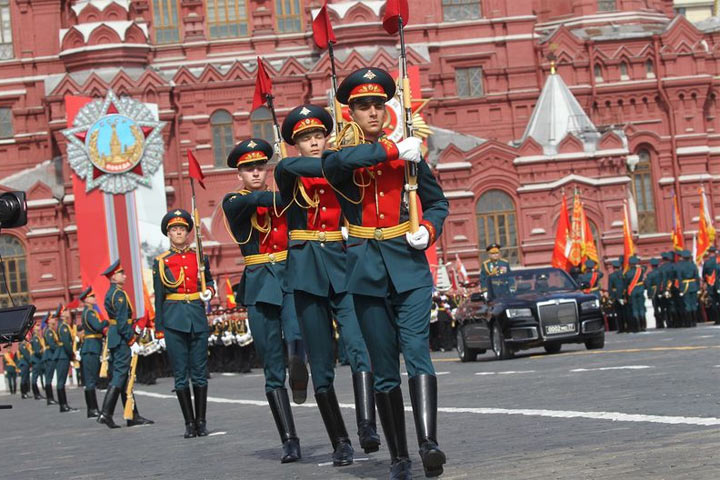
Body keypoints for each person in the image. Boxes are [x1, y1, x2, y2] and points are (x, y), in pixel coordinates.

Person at [323, 67, 449, 479]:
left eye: (379, 104)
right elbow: (344, 161)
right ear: (350, 113)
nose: (373, 111)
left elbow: (437, 204)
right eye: (364, 106)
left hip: (408, 268)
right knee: (383, 366)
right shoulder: (342, 157)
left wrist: (428, 231)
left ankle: (429, 443)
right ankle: (398, 456)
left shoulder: (411, 159)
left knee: (417, 353)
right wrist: (397, 151)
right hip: (365, 271)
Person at [275, 103, 380, 464]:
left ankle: (367, 425)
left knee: (359, 346)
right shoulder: (288, 169)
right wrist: (340, 159)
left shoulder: (339, 168)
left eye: (319, 135)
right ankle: (340, 441)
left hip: (341, 264)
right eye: (306, 138)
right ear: (295, 143)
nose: (315, 143)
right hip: (306, 272)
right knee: (321, 364)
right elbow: (299, 166)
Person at [221, 138, 303, 464]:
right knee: (271, 366)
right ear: (239, 173)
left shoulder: (282, 197)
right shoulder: (233, 201)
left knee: (297, 335)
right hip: (259, 285)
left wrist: (290, 176)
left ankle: (299, 367)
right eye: (248, 168)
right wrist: (286, 185)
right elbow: (256, 201)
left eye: (260, 167)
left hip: (290, 277)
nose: (255, 172)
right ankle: (289, 439)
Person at [153, 208, 216, 438]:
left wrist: (208, 290)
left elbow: (208, 280)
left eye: (182, 229)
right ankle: (189, 423)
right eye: (174, 229)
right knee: (181, 374)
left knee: (200, 372)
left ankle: (201, 421)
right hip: (173, 320)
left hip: (196, 317)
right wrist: (159, 328)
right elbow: (159, 296)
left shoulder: (199, 258)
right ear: (168, 234)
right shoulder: (161, 262)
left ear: (188, 232)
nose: (178, 233)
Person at [97, 260, 154, 428]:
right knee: (121, 375)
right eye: (121, 273)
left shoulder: (113, 293)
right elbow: (122, 322)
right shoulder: (119, 295)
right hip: (122, 338)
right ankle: (106, 413)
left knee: (123, 376)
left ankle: (131, 414)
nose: (125, 275)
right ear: (114, 277)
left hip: (116, 337)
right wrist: (131, 339)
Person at [80, 286, 108, 418]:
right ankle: (92, 409)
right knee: (91, 380)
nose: (94, 298)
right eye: (92, 297)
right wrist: (106, 322)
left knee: (91, 379)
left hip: (91, 347)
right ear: (87, 300)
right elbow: (97, 327)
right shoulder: (90, 313)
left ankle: (92, 409)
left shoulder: (89, 312)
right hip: (91, 348)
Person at [55, 305, 78, 412]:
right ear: (61, 314)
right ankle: (63, 405)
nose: (67, 313)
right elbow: (66, 343)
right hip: (63, 355)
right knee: (61, 381)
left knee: (62, 381)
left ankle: (63, 405)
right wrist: (72, 354)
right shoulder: (63, 327)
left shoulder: (63, 325)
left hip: (62, 355)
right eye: (65, 311)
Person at [677, 249, 700, 327]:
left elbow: (680, 278)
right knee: (694, 304)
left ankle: (689, 322)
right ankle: (694, 321)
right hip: (693, 285)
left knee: (687, 304)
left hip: (685, 286)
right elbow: (697, 277)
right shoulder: (693, 265)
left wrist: (681, 289)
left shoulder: (680, 266)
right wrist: (698, 287)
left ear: (683, 257)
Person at [623, 256, 646, 332]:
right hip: (640, 290)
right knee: (641, 308)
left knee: (635, 309)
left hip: (632, 292)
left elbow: (626, 285)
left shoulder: (627, 273)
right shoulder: (641, 270)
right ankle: (643, 326)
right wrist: (638, 265)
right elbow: (645, 267)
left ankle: (638, 327)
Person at [42, 310, 60, 404]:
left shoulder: (51, 330)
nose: (54, 320)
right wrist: (60, 349)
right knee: (49, 378)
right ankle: (50, 399)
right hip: (49, 356)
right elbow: (52, 344)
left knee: (50, 377)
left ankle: (50, 398)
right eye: (52, 318)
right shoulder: (49, 331)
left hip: (50, 355)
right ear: (48, 321)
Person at [644, 258, 664, 329]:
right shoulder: (662, 272)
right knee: (663, 307)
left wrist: (649, 294)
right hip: (662, 290)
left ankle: (659, 323)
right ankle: (667, 321)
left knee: (656, 308)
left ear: (651, 265)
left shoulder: (650, 274)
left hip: (654, 292)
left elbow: (648, 285)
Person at [607, 260, 626, 332]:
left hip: (616, 296)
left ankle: (621, 328)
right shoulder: (624, 274)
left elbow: (610, 288)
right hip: (624, 295)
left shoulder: (611, 276)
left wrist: (611, 297)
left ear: (613, 267)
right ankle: (627, 326)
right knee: (625, 312)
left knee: (618, 312)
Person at [702, 246, 719, 324]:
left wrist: (705, 282)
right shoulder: (718, 261)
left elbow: (704, 274)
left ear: (709, 253)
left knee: (714, 302)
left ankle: (717, 319)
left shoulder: (707, 262)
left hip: (711, 284)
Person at [30, 322, 45, 399]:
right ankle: (36, 394)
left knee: (35, 377)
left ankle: (37, 393)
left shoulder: (36, 337)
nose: (38, 328)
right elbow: (37, 351)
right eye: (37, 326)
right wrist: (42, 351)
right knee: (35, 378)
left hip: (36, 359)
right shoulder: (35, 338)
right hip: (36, 360)